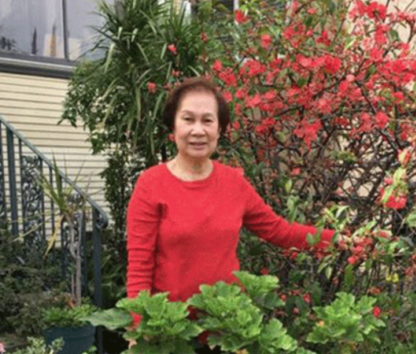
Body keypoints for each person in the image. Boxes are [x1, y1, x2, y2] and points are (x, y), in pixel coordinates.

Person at [125, 77, 336, 353]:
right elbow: (139, 266)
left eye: (208, 120)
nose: (197, 130)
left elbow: (279, 230)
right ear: (173, 127)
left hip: (226, 329)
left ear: (220, 129)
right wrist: (138, 330)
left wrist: (339, 240)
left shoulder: (233, 183)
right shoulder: (151, 185)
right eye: (188, 119)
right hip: (170, 332)